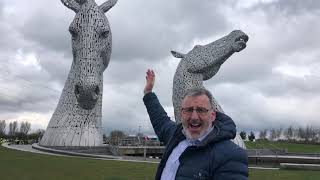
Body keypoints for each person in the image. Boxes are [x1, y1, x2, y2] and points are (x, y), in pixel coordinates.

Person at [143, 69, 248, 180]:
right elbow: (161, 120)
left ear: (212, 115)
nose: (194, 117)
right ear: (182, 113)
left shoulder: (230, 154)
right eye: (188, 110)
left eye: (201, 110)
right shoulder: (176, 136)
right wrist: (148, 93)